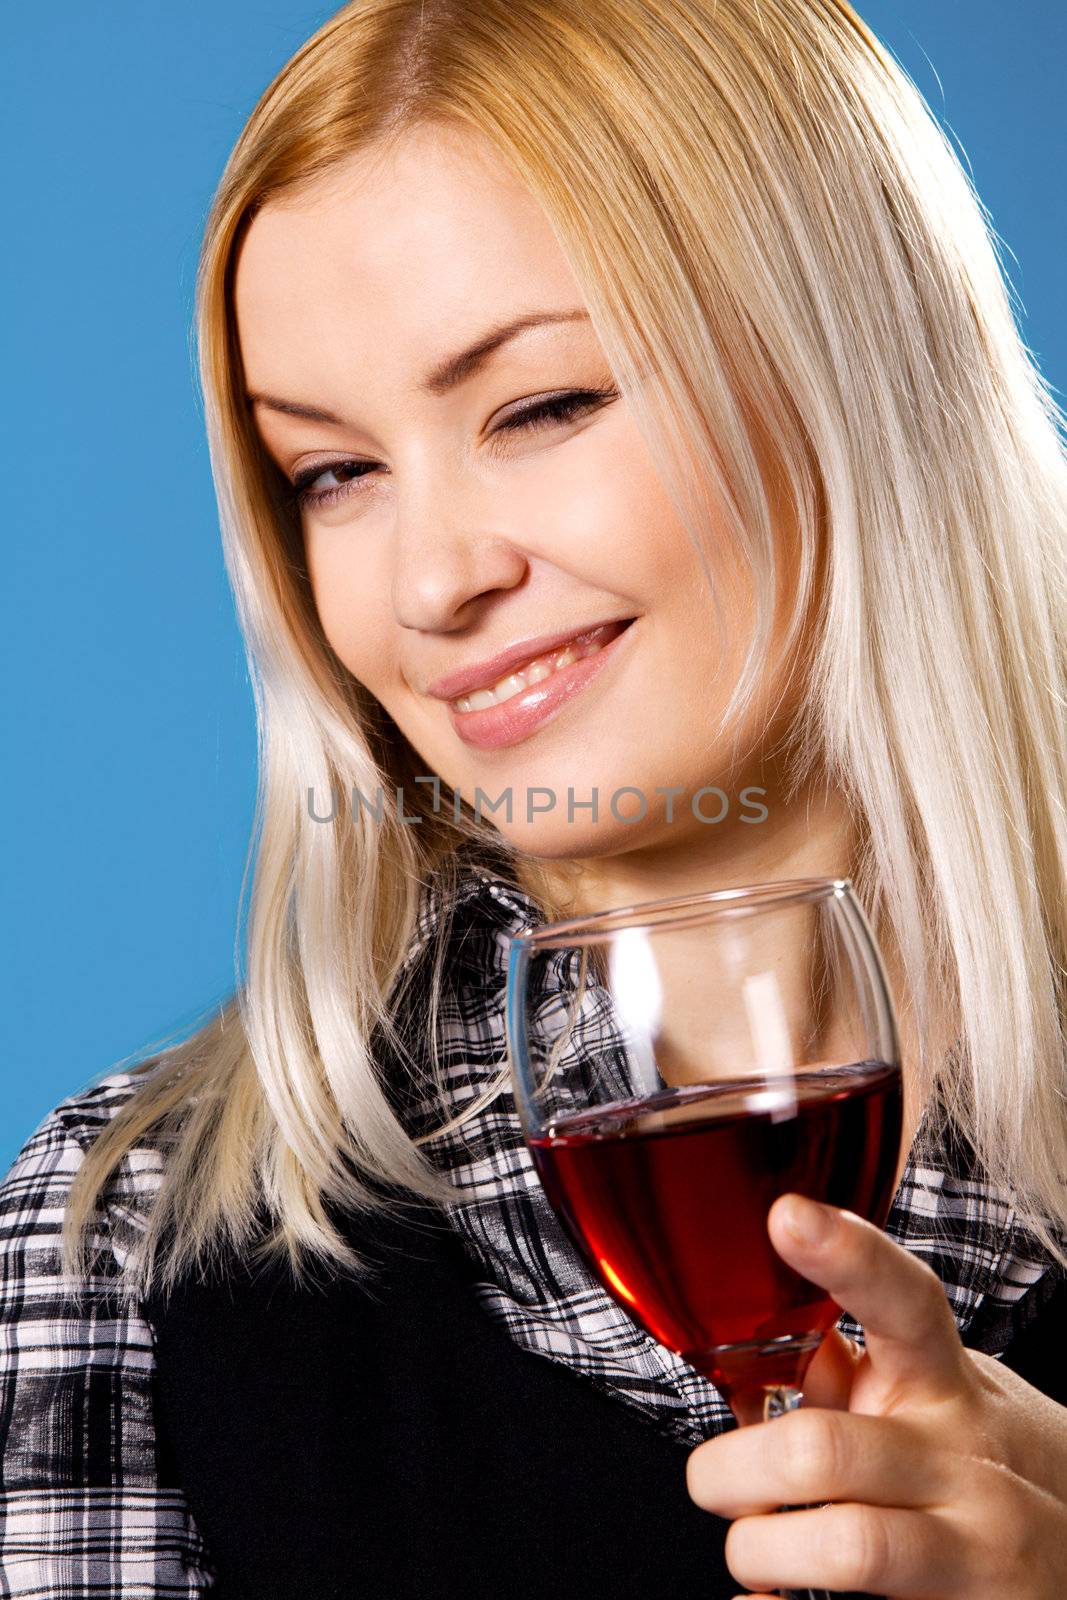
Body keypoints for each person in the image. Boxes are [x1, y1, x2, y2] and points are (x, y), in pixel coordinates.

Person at [2, 0, 1065, 1594]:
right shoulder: (123, 1244)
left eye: (543, 406)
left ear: (855, 363)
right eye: (333, 474)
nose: (430, 583)